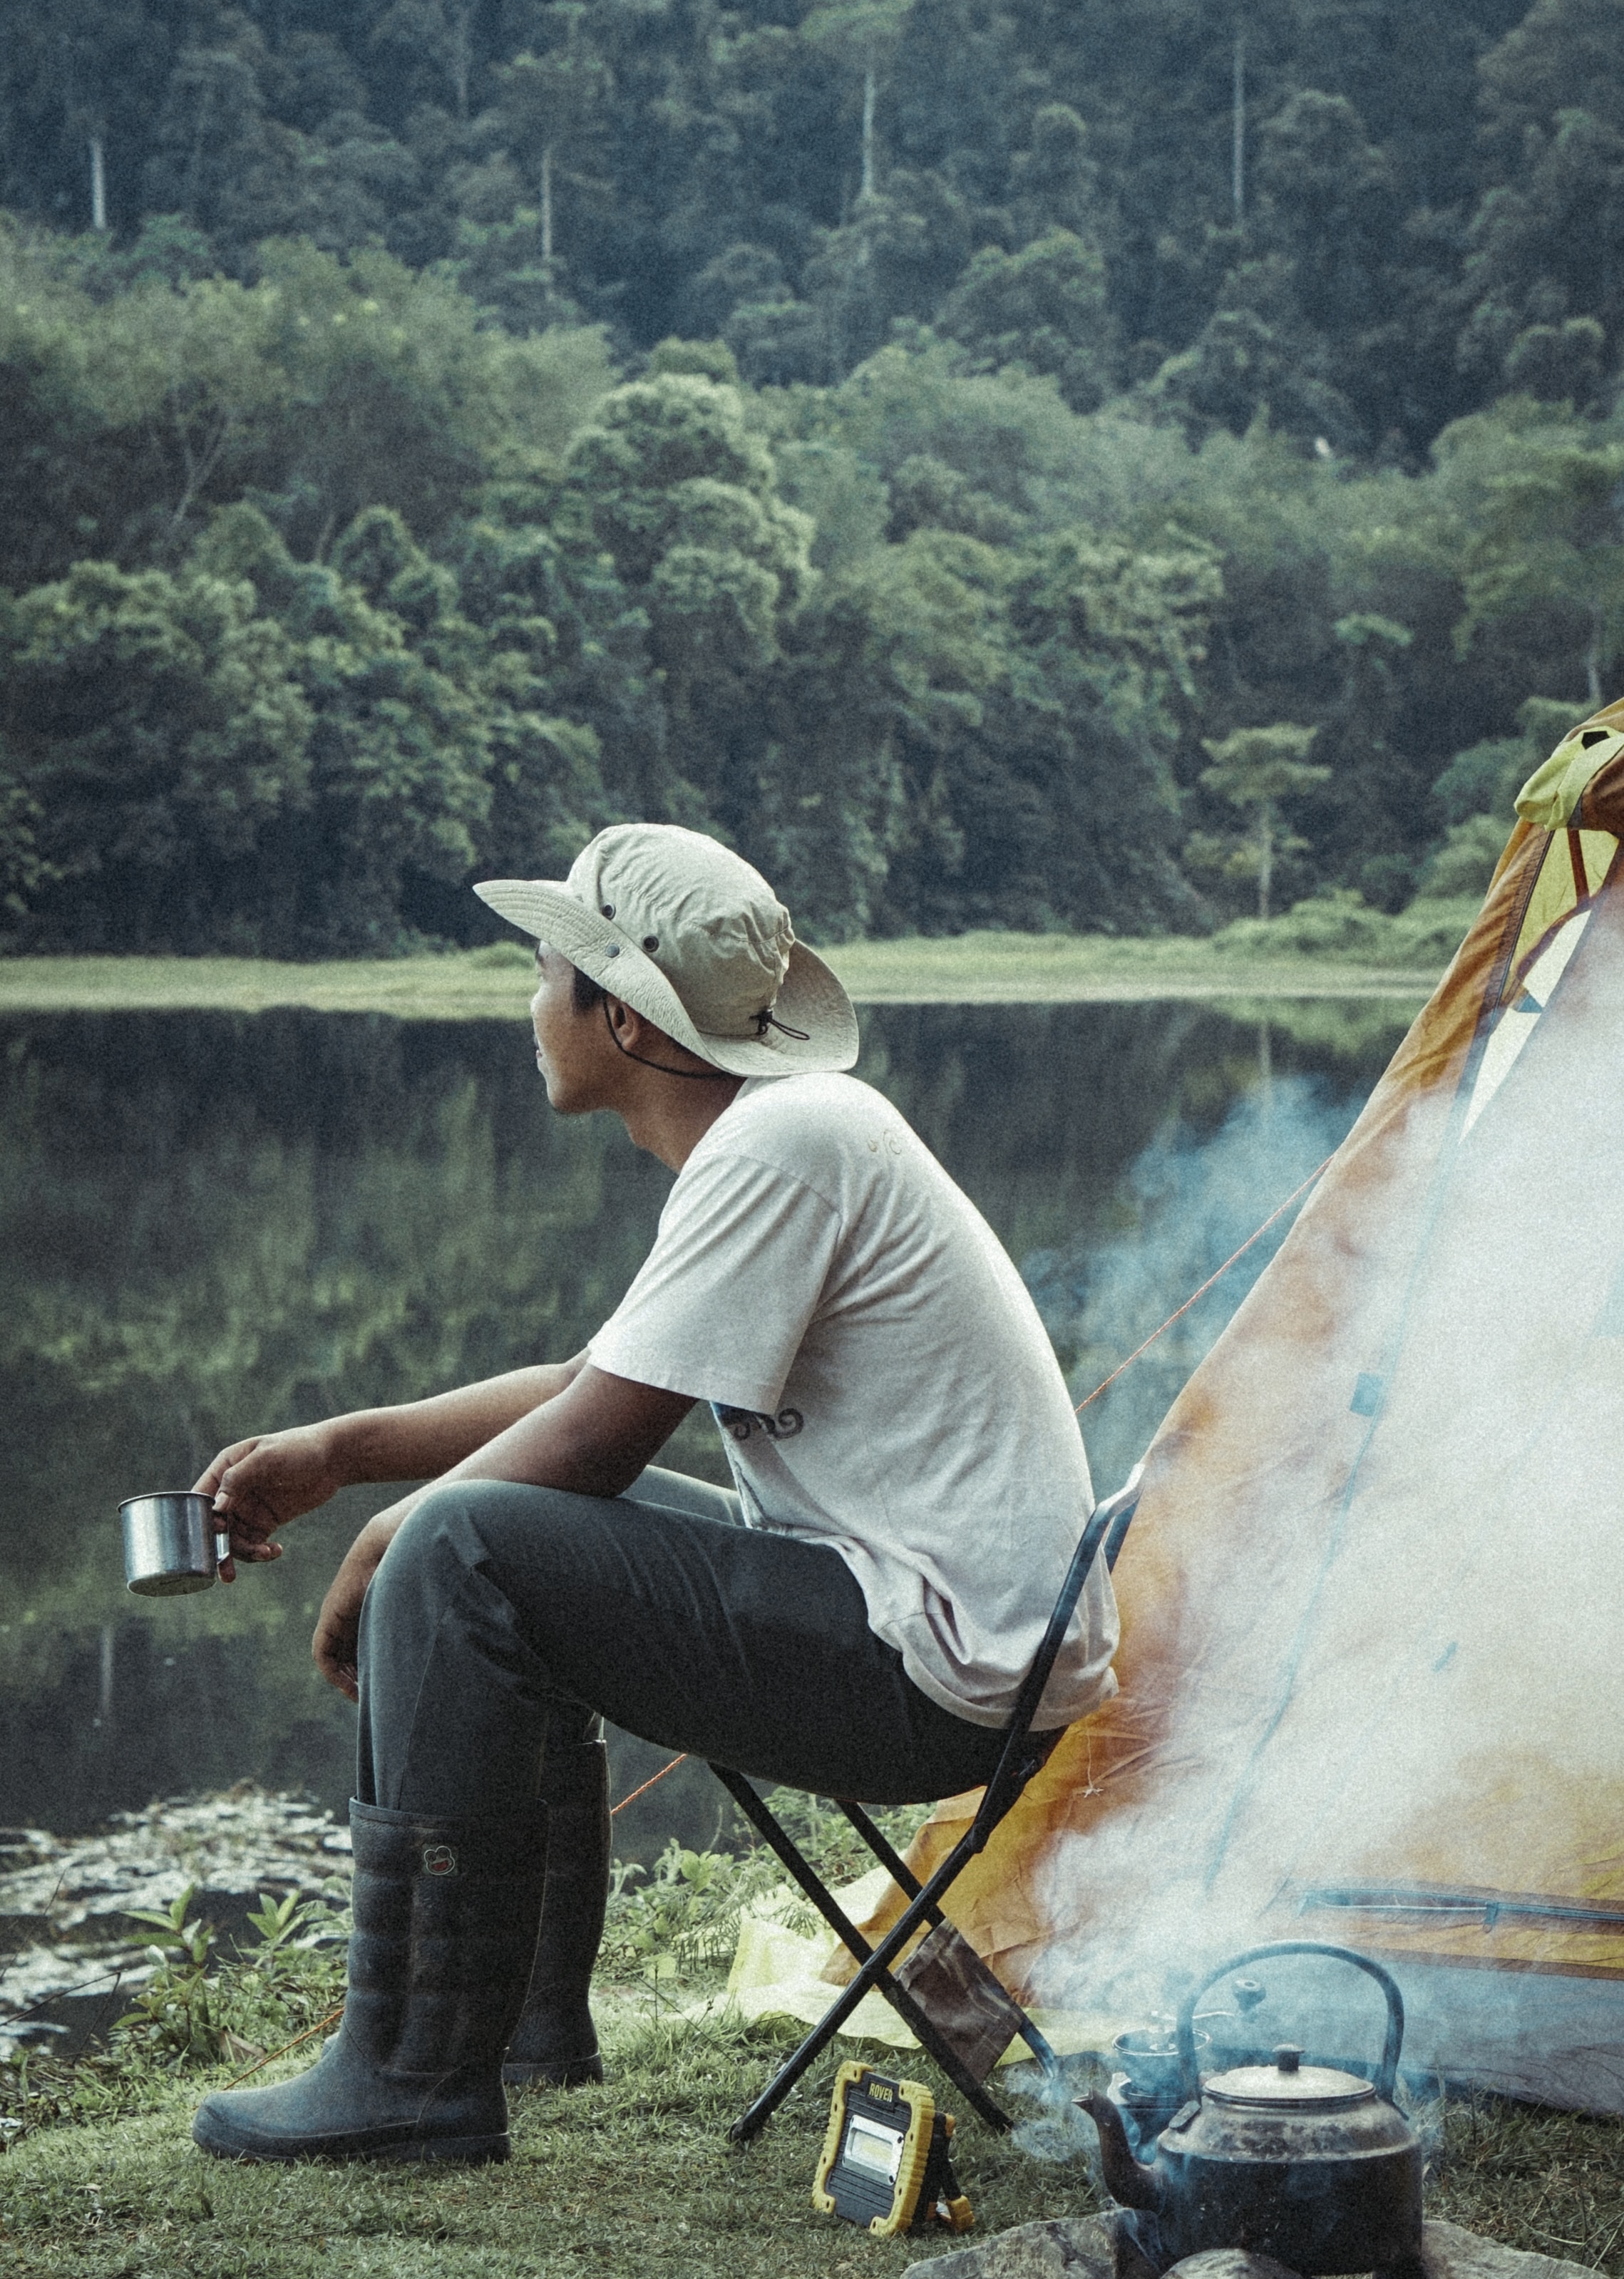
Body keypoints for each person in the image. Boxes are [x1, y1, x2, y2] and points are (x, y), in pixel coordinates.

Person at [189, 824, 1119, 2164]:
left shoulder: (782, 1146)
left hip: (932, 1674)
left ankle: (409, 2076)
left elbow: (595, 1444)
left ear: (619, 1015)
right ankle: (521, 2031)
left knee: (466, 1548)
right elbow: (593, 1379)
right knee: (496, 1540)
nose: (529, 1004)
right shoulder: (784, 1133)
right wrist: (340, 1450)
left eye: (546, 974)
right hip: (945, 1637)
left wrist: (389, 1537)